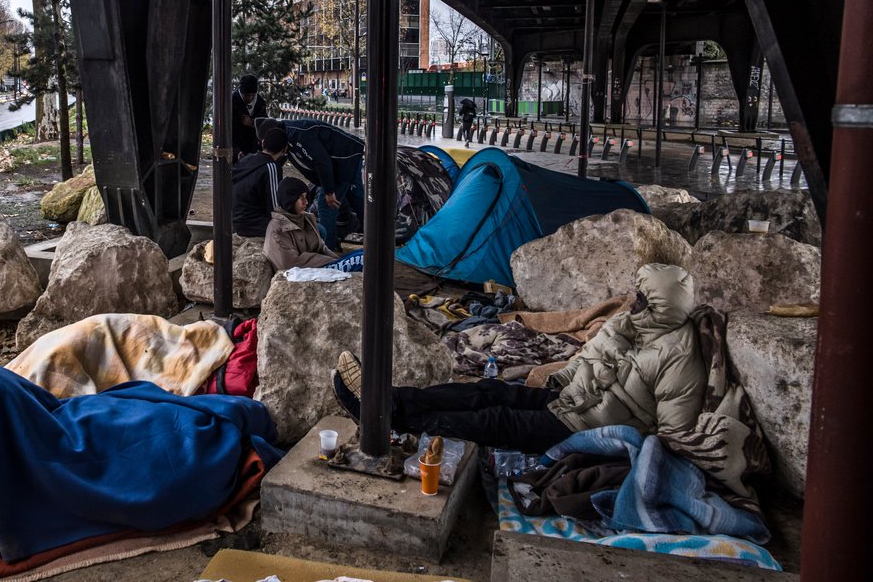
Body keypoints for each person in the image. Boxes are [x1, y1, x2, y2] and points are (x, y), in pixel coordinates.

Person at [331, 264, 706, 455]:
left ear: (664, 307)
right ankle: (388, 400)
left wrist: (620, 441)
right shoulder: (629, 323)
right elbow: (588, 358)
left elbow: (673, 432)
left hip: (588, 427)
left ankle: (387, 420)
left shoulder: (679, 356)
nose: (633, 301)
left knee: (496, 420)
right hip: (569, 399)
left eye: (643, 298)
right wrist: (560, 381)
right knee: (485, 391)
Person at [258, 117, 365, 251]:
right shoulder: (287, 139)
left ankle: (328, 248)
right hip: (340, 161)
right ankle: (371, 230)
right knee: (357, 199)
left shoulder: (298, 135)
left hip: (345, 158)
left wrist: (329, 191)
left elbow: (322, 162)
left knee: (326, 204)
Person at [264, 178, 364, 273]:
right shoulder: (277, 228)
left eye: (306, 197)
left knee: (365, 252)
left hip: (323, 264)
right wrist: (329, 261)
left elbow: (322, 248)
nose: (306, 202)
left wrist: (338, 261)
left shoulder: (306, 218)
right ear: (289, 200)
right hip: (310, 271)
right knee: (362, 260)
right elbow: (289, 264)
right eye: (301, 198)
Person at [232, 127, 288, 238]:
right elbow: (275, 206)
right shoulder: (271, 167)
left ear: (262, 142)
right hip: (254, 224)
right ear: (285, 149)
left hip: (235, 220)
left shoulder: (246, 159)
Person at [231, 74, 267, 161]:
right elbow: (227, 131)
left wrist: (252, 122)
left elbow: (264, 124)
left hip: (254, 149)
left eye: (252, 95)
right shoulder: (232, 101)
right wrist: (236, 151)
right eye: (246, 95)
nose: (250, 98)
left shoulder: (260, 102)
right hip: (236, 147)